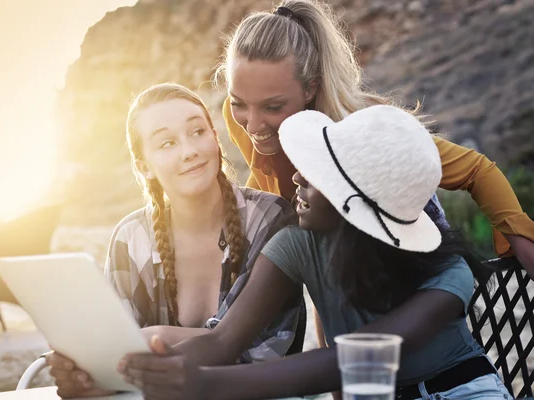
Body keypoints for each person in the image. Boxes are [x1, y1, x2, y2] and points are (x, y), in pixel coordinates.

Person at [117, 105, 513, 400]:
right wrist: (136, 370)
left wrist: (203, 383)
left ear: (359, 202)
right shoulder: (296, 244)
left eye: (318, 174)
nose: (297, 178)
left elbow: (349, 360)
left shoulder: (450, 274)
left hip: (466, 392)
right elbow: (223, 341)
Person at [219, 0, 534, 297]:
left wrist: (519, 237)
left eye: (273, 106)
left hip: (407, 277)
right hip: (329, 276)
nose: (253, 125)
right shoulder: (244, 123)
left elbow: (477, 169)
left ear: (310, 87)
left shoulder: (355, 127)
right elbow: (268, 181)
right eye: (239, 103)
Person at [46, 83, 303, 399]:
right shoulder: (132, 239)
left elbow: (268, 351)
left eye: (197, 132)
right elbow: (118, 356)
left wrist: (157, 336)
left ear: (215, 138)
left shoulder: (270, 217)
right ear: (144, 167)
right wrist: (86, 375)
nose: (189, 150)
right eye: (167, 143)